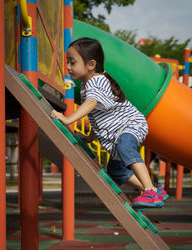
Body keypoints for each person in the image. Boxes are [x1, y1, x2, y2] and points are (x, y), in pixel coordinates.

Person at [51, 37, 168, 210]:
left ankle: (150, 191)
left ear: (91, 64)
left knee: (125, 148)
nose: (68, 67)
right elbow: (98, 115)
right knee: (117, 172)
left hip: (130, 125)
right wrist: (90, 136)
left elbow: (91, 104)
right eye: (68, 62)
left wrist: (68, 119)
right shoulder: (86, 86)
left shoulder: (96, 81)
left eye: (72, 62)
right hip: (117, 134)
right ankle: (154, 190)